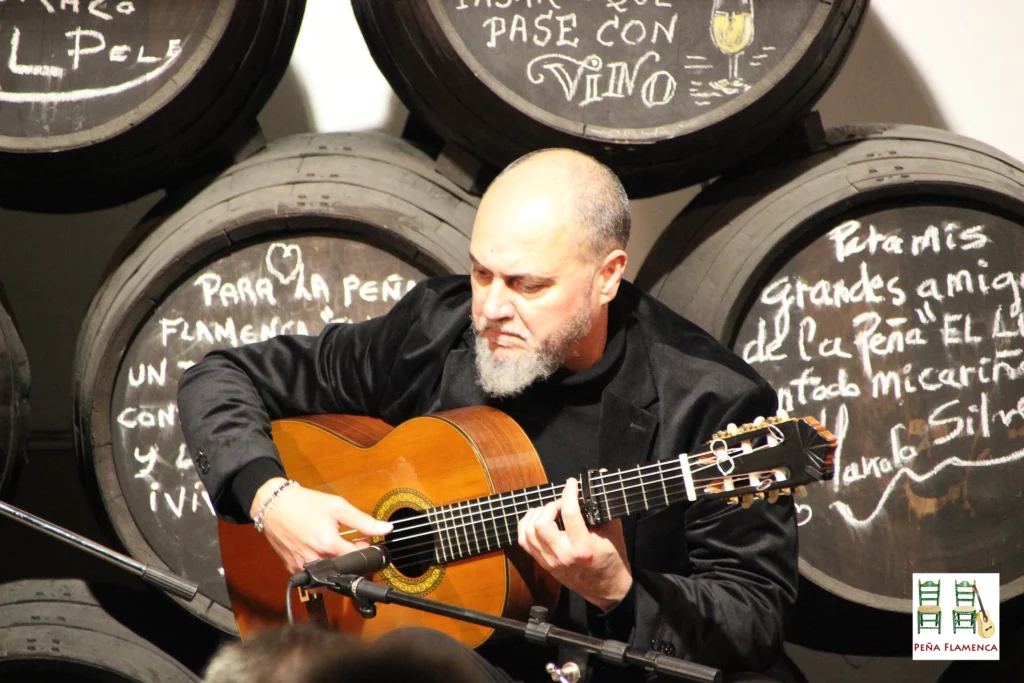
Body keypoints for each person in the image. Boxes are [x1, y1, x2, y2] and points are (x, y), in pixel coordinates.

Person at [178, 149, 799, 683]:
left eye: (528, 285)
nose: (491, 308)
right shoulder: (434, 329)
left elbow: (754, 613)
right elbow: (220, 376)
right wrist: (271, 498)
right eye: (481, 273)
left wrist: (619, 590)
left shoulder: (712, 402)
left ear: (607, 277)